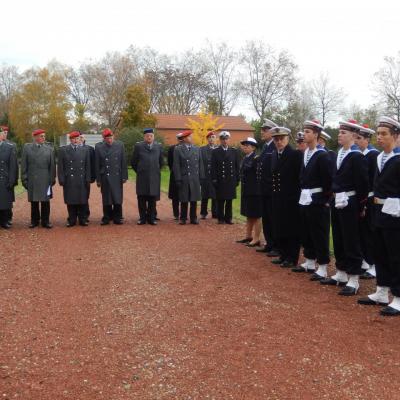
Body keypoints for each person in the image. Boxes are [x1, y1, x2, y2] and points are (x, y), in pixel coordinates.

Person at [320, 119, 369, 295]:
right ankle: (340, 272)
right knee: (339, 237)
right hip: (336, 200)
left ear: (354, 136)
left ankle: (354, 278)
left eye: (343, 133)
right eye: (339, 132)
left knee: (351, 239)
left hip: (350, 202)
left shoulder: (357, 156)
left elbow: (363, 184)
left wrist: (360, 205)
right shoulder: (339, 153)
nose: (339, 135)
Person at [358, 116, 400, 316]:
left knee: (396, 255)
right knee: (380, 253)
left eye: (384, 134)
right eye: (378, 134)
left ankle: (398, 298)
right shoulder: (378, 158)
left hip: (395, 214)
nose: (379, 138)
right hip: (378, 211)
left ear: (396, 136)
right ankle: (382, 291)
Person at [292, 120, 333, 280]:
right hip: (305, 197)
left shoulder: (322, 155)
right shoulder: (306, 154)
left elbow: (328, 180)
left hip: (318, 199)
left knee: (319, 232)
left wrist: (325, 199)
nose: (305, 134)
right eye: (305, 131)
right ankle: (309, 260)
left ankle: (322, 265)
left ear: (316, 134)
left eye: (308, 132)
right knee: (306, 230)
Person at [269, 127, 303, 268]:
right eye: (276, 139)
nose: (279, 142)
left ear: (288, 138)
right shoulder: (274, 154)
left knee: (291, 228)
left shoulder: (295, 154)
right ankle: (283, 254)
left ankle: (291, 257)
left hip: (291, 198)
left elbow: (299, 177)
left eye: (281, 139)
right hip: (277, 197)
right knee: (279, 226)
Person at [354, 124, 379, 280]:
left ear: (367, 139)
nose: (356, 141)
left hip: (370, 198)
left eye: (359, 138)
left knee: (371, 232)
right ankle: (365, 261)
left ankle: (373, 264)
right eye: (356, 138)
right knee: (361, 232)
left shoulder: (373, 155)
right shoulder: (359, 154)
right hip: (361, 197)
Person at [21, 129, 56, 229]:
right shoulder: (27, 148)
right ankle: (34, 220)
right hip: (33, 179)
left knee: (46, 201)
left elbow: (52, 166)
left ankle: (46, 221)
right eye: (41, 136)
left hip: (45, 179)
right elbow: (24, 165)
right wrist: (24, 179)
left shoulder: (49, 149)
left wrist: (52, 179)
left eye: (44, 136)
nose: (43, 138)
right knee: (34, 202)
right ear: (35, 137)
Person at [58, 131, 92, 227]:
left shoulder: (85, 150)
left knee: (82, 200)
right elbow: (60, 166)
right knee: (71, 201)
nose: (76, 140)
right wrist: (61, 179)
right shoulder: (64, 150)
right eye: (74, 139)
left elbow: (87, 166)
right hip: (69, 179)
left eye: (77, 138)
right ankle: (71, 219)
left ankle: (83, 219)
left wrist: (88, 179)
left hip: (82, 179)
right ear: (70, 140)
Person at [95, 128, 128, 225]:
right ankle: (107, 217)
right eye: (107, 138)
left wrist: (124, 176)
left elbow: (123, 161)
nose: (109, 140)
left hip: (117, 175)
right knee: (107, 197)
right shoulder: (98, 147)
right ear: (104, 138)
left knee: (117, 197)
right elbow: (97, 164)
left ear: (113, 136)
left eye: (111, 137)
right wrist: (98, 179)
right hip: (105, 175)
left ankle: (117, 217)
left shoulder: (120, 145)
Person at [131, 128, 163, 225]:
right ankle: (142, 218)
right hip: (142, 177)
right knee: (141, 198)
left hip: (154, 177)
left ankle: (151, 218)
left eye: (151, 136)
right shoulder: (138, 146)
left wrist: (155, 170)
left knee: (152, 199)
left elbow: (161, 162)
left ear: (153, 136)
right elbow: (133, 162)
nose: (149, 137)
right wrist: (140, 170)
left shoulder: (158, 146)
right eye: (147, 136)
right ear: (144, 137)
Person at [256, 119, 279, 255]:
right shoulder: (265, 147)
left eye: (265, 130)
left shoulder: (274, 146)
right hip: (264, 188)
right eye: (262, 130)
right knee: (266, 217)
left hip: (271, 189)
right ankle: (269, 243)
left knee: (272, 217)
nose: (262, 132)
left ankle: (275, 245)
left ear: (272, 132)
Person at [173, 130, 204, 224]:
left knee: (194, 199)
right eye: (190, 137)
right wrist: (178, 178)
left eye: (192, 136)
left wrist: (202, 177)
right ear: (185, 138)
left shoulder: (197, 149)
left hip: (195, 177)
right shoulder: (178, 149)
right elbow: (176, 165)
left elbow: (200, 163)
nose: (192, 138)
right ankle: (183, 218)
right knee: (184, 198)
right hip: (184, 177)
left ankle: (193, 218)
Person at [236, 137, 262, 247]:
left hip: (255, 191)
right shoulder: (245, 158)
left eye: (248, 145)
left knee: (256, 215)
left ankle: (256, 238)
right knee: (248, 214)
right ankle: (248, 236)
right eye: (244, 145)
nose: (245, 147)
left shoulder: (256, 158)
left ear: (253, 147)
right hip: (246, 190)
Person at [211, 131, 240, 224]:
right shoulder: (215, 151)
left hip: (231, 179)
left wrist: (237, 178)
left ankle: (228, 218)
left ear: (229, 139)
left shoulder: (234, 151)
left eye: (226, 139)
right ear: (220, 140)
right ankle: (220, 218)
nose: (225, 141)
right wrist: (214, 179)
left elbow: (237, 166)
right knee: (220, 200)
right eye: (223, 139)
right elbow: (213, 167)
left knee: (229, 200)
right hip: (220, 180)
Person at [0, 127, 18, 229]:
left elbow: (13, 166)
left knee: (5, 202)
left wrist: (12, 180)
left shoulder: (9, 147)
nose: (3, 135)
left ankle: (5, 221)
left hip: (5, 178)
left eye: (2, 133)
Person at [200, 131, 218, 219]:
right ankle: (203, 213)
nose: (211, 139)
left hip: (215, 176)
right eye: (210, 137)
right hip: (205, 176)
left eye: (213, 137)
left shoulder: (218, 149)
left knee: (215, 195)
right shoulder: (202, 149)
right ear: (207, 139)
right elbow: (200, 163)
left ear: (216, 139)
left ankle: (215, 213)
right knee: (204, 195)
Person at [79, 133, 96, 221]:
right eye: (79, 137)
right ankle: (75, 215)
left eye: (81, 137)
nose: (80, 139)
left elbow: (93, 164)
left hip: (86, 177)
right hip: (74, 178)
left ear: (84, 139)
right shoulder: (69, 149)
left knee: (85, 196)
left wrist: (92, 177)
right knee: (74, 196)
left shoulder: (90, 149)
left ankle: (85, 215)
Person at [168, 133, 184, 220]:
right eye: (180, 138)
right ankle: (176, 214)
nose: (181, 140)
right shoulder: (172, 148)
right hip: (174, 174)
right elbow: (170, 162)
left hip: (184, 174)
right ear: (177, 139)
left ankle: (182, 213)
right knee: (175, 196)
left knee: (184, 194)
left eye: (182, 138)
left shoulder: (186, 148)